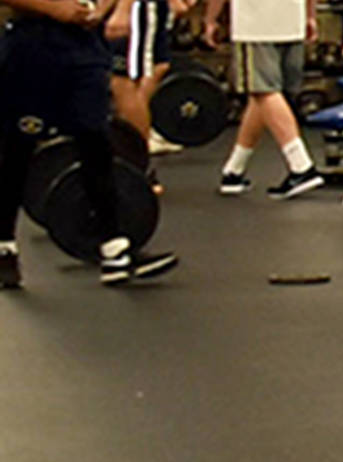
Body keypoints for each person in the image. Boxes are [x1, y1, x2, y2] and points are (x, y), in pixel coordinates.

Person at [0, 0, 178, 287]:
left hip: (84, 48)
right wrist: (55, 8)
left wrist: (98, 9)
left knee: (96, 142)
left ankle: (114, 249)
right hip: (32, 45)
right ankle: (4, 246)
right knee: (18, 148)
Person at [206, 0, 324, 199]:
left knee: (264, 92)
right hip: (292, 20)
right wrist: (310, 14)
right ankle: (234, 170)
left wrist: (210, 19)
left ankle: (301, 166)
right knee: (263, 96)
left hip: (256, 26)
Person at [105, 0, 191, 159]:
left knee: (123, 83)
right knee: (131, 79)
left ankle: (137, 163)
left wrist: (123, 9)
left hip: (133, 7)